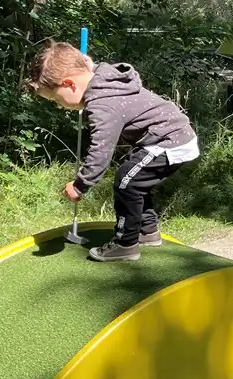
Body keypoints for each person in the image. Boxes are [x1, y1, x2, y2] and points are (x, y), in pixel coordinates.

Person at [28, 41, 200, 261]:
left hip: (170, 140)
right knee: (135, 180)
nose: (60, 106)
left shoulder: (102, 104)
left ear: (70, 84)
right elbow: (89, 65)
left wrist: (80, 185)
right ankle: (147, 231)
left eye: (56, 100)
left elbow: (101, 150)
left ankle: (125, 244)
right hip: (170, 136)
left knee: (126, 181)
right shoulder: (104, 78)